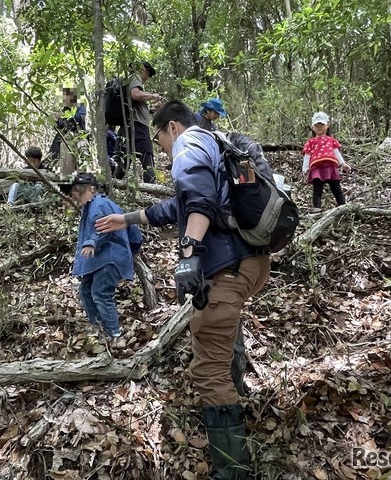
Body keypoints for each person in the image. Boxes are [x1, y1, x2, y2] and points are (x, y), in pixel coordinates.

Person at [96, 100, 270, 479]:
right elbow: (179, 204)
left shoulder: (189, 144)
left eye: (159, 141)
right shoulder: (214, 145)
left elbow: (199, 201)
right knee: (221, 332)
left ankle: (233, 470)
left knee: (208, 370)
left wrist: (189, 254)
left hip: (224, 267)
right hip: (251, 263)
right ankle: (233, 393)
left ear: (171, 127)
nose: (162, 149)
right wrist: (125, 219)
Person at [69, 172, 142, 340]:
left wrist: (92, 242)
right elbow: (134, 233)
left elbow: (104, 227)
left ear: (91, 189)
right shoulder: (97, 205)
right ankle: (98, 328)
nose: (76, 196)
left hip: (108, 257)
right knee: (86, 291)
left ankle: (114, 334)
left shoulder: (98, 204)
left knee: (100, 293)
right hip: (102, 258)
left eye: (79, 191)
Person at [115, 60, 162, 183]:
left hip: (128, 126)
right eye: (148, 73)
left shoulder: (129, 80)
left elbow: (135, 104)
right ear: (143, 70)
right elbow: (135, 95)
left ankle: (114, 188)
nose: (148, 77)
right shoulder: (135, 77)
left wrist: (151, 110)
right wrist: (153, 96)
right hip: (138, 126)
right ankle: (152, 189)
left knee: (124, 160)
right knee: (147, 158)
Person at [302, 111, 351, 208]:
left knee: (336, 189)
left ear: (327, 125)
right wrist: (305, 168)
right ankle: (317, 209)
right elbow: (307, 155)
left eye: (322, 124)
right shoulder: (310, 142)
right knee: (317, 191)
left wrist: (343, 164)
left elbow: (336, 152)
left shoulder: (331, 140)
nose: (319, 127)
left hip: (330, 167)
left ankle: (344, 208)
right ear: (313, 127)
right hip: (317, 168)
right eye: (317, 125)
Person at [49, 87, 88, 177]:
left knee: (82, 153)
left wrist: (64, 118)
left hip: (78, 134)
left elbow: (79, 118)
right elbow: (61, 126)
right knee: (57, 150)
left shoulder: (80, 106)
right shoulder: (65, 109)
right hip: (65, 136)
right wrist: (57, 120)